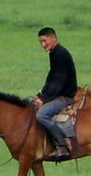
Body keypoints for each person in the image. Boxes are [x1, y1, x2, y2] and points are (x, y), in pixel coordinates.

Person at [29, 27, 77, 158]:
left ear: (54, 38)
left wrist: (44, 100)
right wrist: (40, 94)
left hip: (65, 97)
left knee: (42, 115)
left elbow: (59, 81)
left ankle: (61, 146)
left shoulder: (60, 54)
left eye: (44, 41)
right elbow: (52, 77)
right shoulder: (54, 53)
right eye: (41, 42)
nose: (43, 45)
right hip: (58, 94)